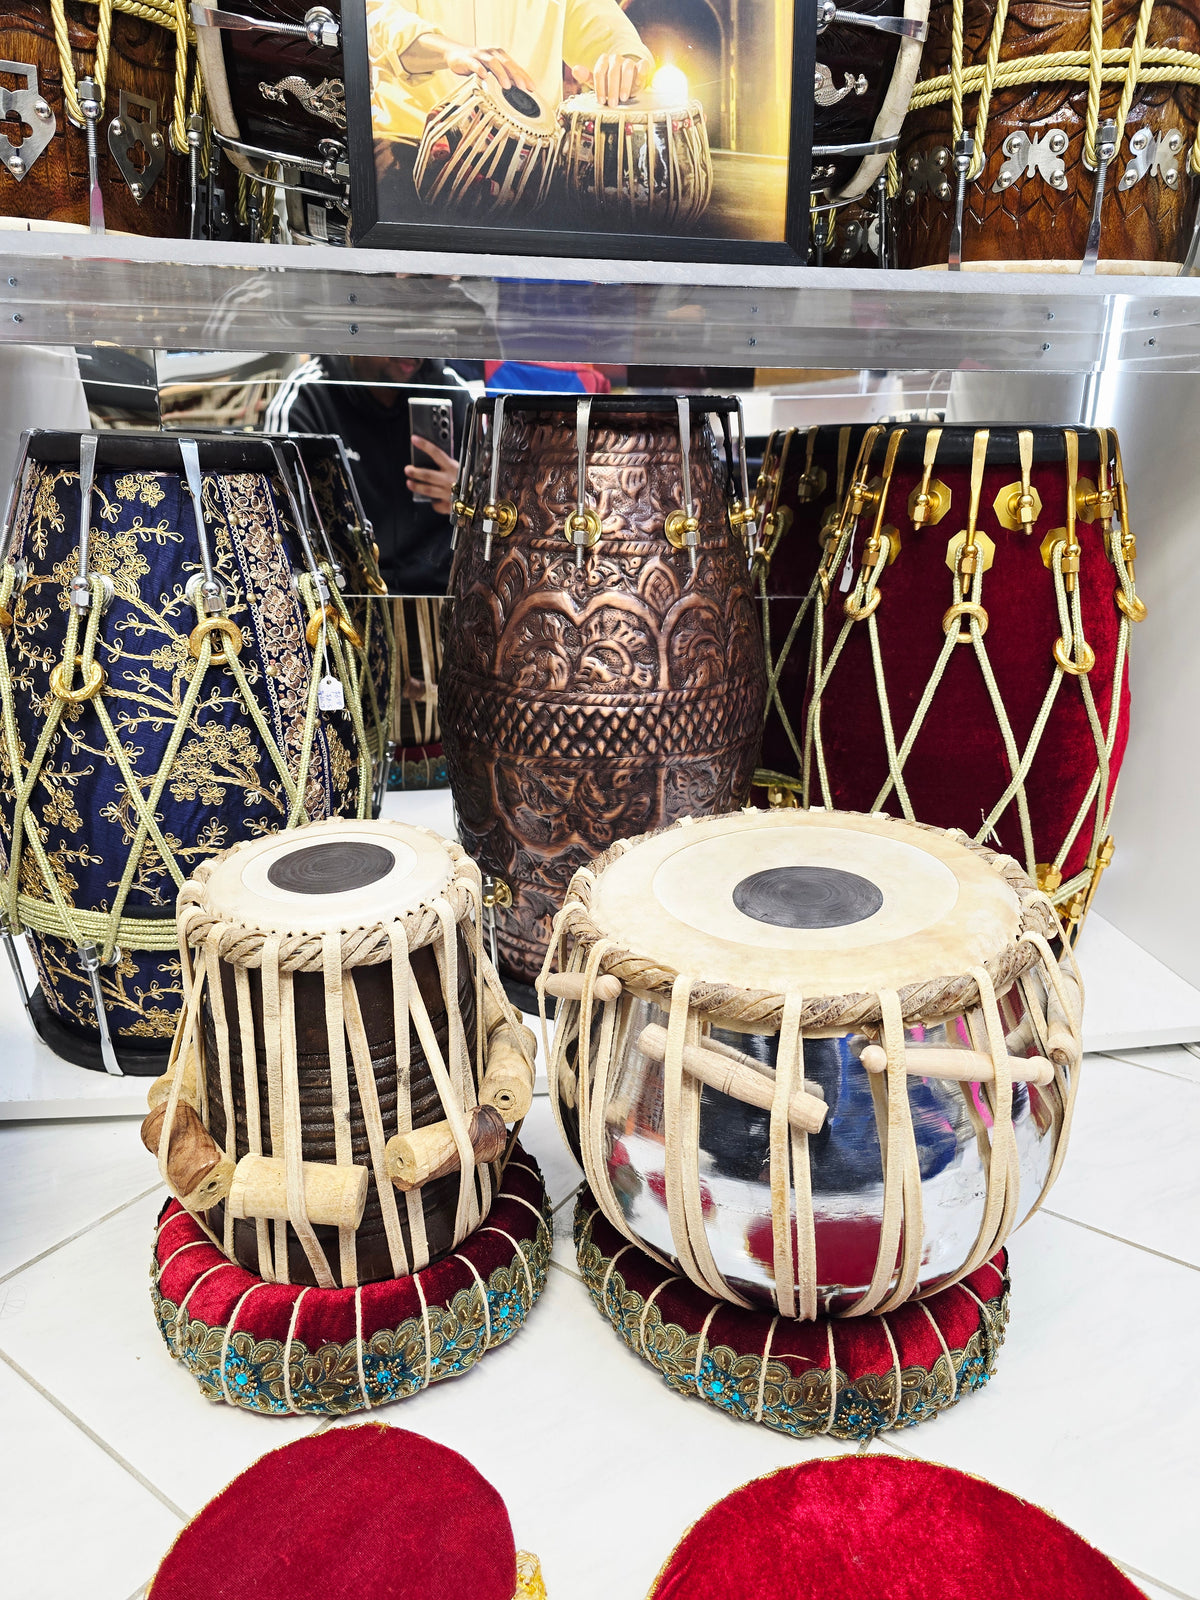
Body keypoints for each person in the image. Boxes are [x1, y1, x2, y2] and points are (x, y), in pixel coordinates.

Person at [368, 0, 655, 203]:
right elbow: (378, 18)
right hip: (412, 145)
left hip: (531, 159)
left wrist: (626, 63)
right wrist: (450, 51)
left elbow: (606, 28)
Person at [265, 354, 473, 595]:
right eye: (396, 334)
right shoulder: (308, 395)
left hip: (441, 595)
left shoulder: (453, 391)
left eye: (426, 335)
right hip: (345, 598)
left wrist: (469, 500)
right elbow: (278, 526)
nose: (412, 351)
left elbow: (494, 518)